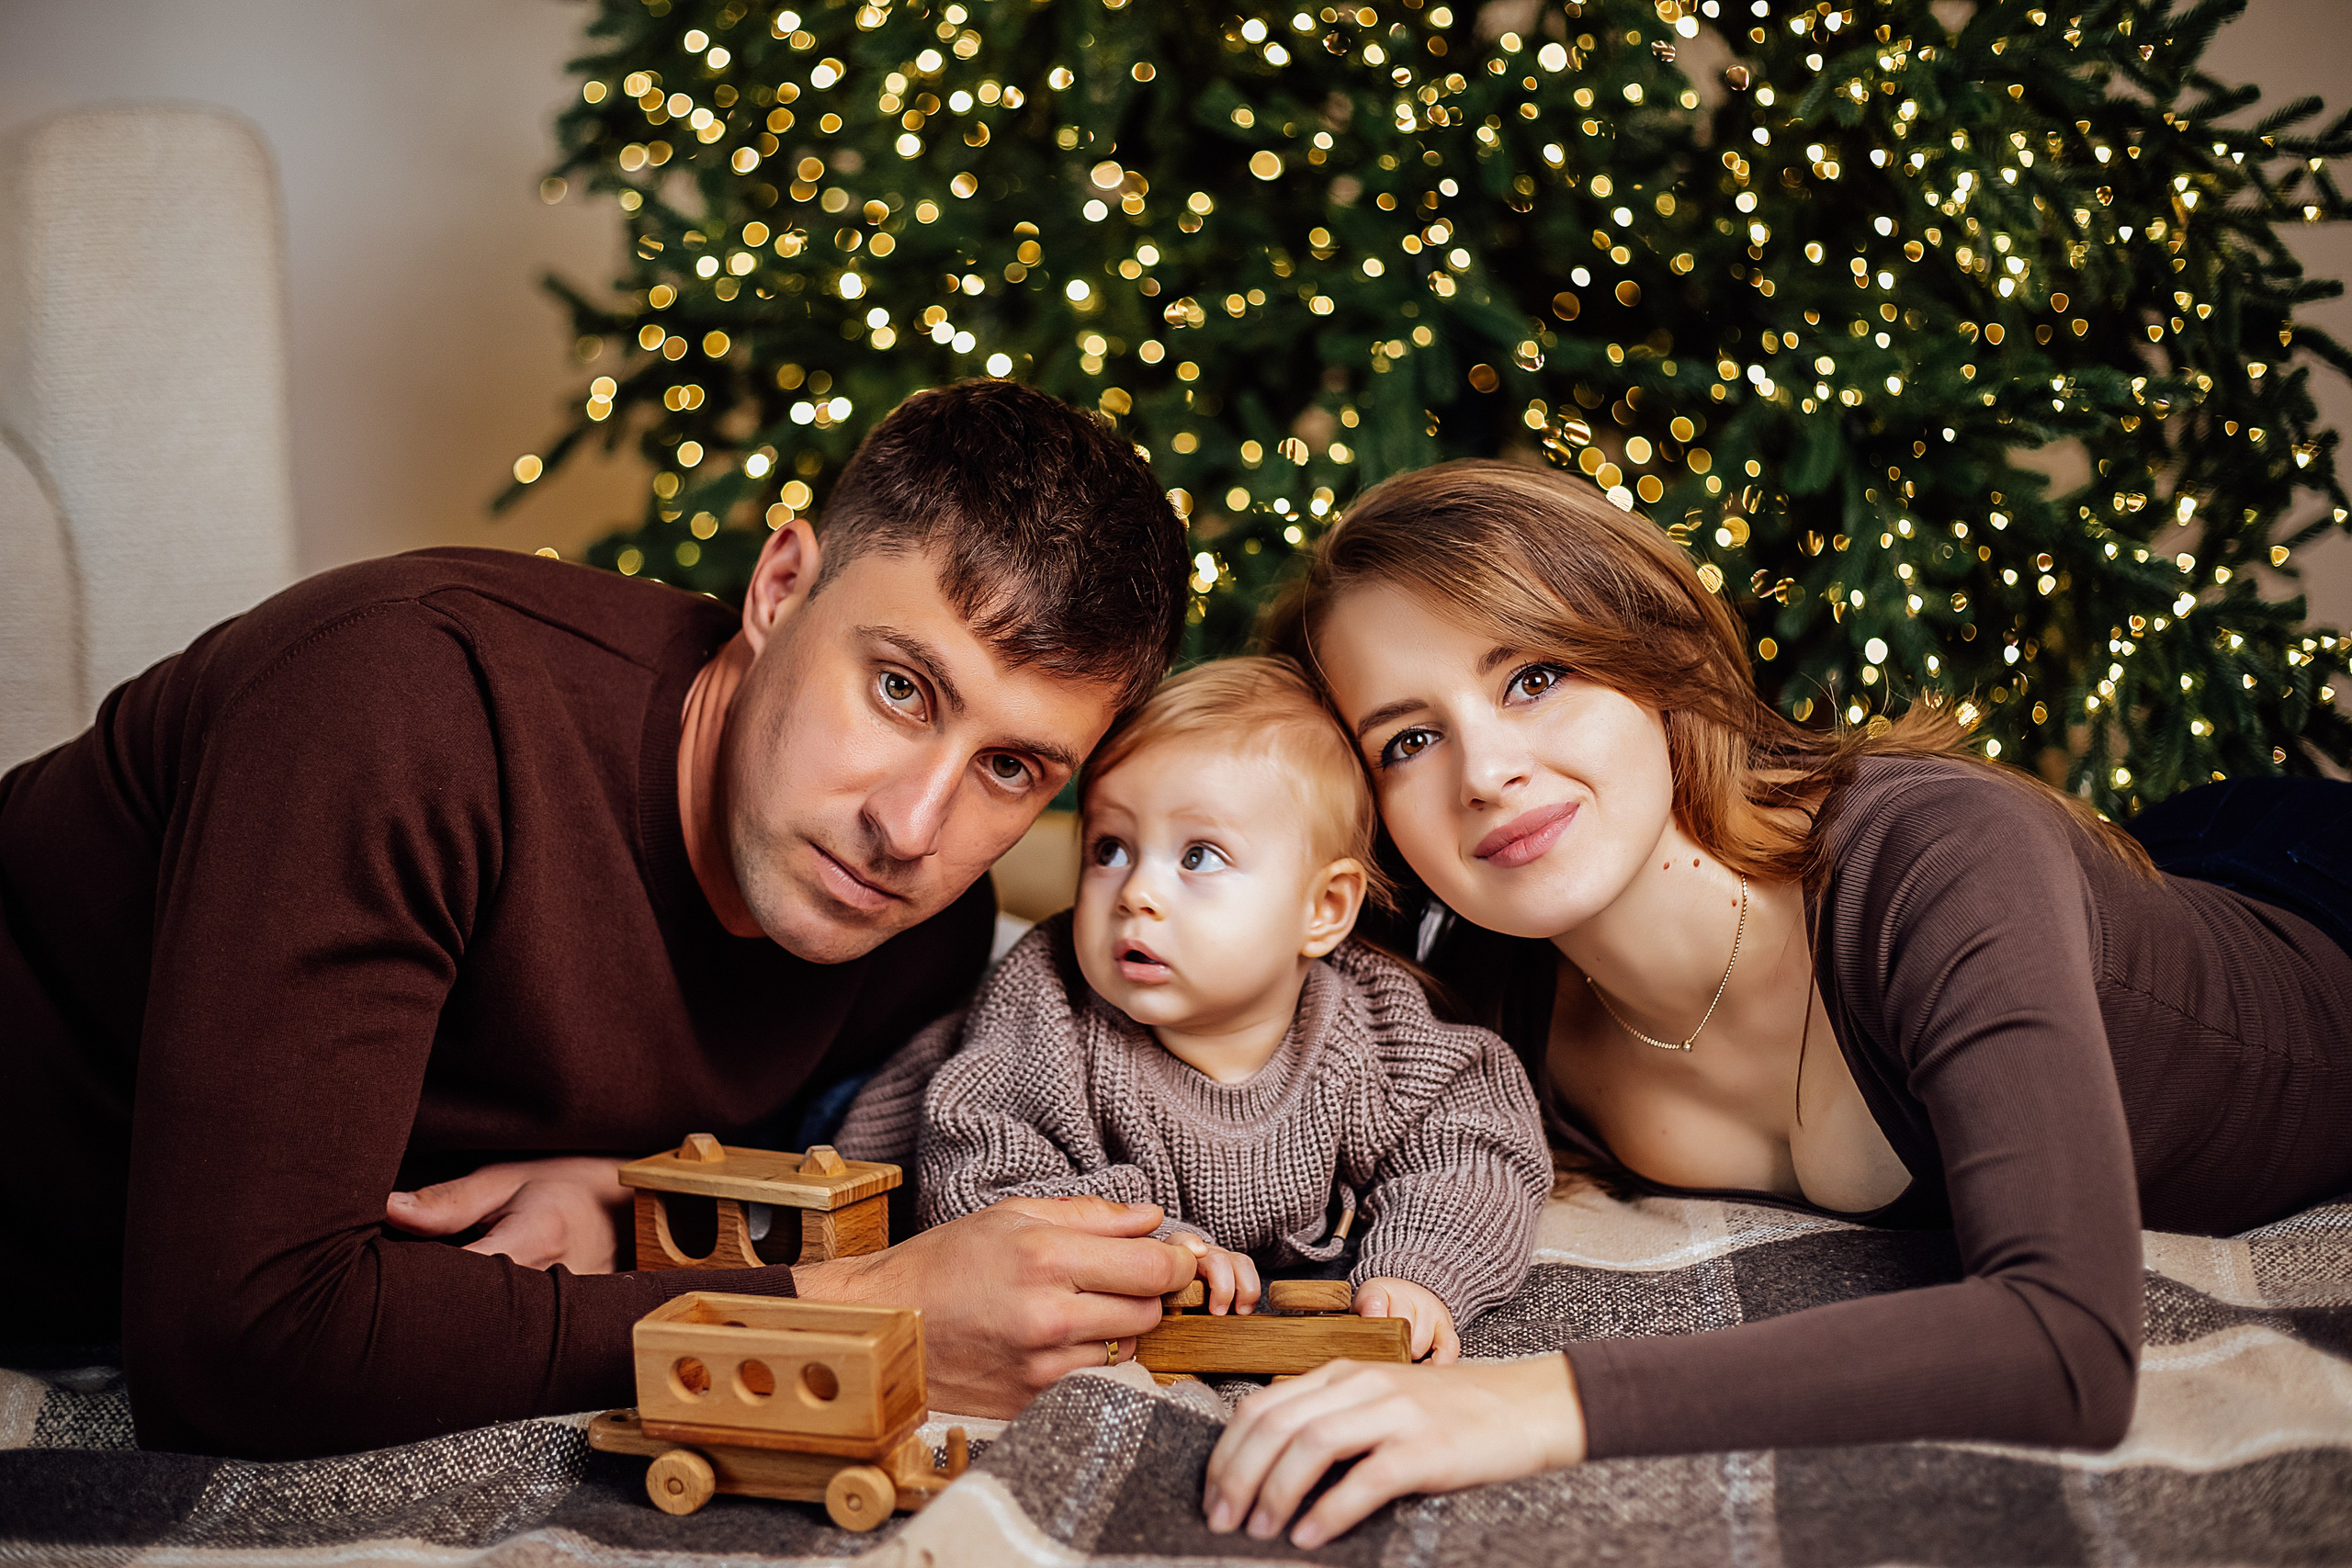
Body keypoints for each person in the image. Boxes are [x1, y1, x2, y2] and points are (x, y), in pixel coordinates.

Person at [0, 380, 1201, 1459]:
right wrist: (854, 1318)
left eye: (1012, 767)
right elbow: (234, 1348)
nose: (910, 823)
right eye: (900, 686)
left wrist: (635, 1203)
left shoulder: (920, 933)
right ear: (781, 588)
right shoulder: (401, 704)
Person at [1202, 458, 2352, 1548]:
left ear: (1653, 664)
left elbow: (2068, 1346)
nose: (1487, 770)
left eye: (1535, 677)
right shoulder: (1482, 1004)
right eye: (1407, 738)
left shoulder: (1937, 860)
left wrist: (1519, 1407)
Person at [839, 659, 1550, 1360]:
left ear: (1323, 908)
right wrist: (1157, 1247)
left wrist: (1417, 1269)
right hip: (869, 1132)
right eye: (1110, 848)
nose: (1136, 893)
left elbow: (1476, 1144)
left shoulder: (1370, 1025)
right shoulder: (1047, 1003)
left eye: (1200, 856)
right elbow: (980, 1173)